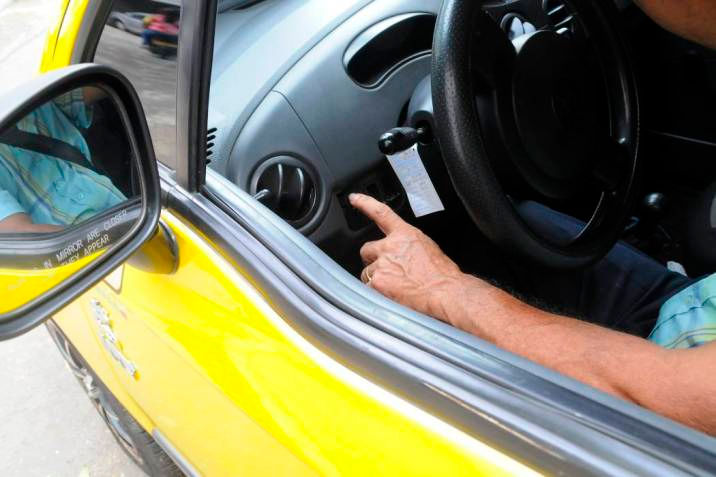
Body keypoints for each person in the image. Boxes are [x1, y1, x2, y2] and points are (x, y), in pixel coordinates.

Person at [350, 0, 716, 436]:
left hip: (663, 369)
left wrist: (441, 288)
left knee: (495, 238)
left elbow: (645, 395)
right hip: (699, 309)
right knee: (517, 222)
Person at [0, 88, 125, 234]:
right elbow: (22, 234)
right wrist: (100, 237)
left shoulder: (32, 92)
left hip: (127, 212)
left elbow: (97, 87)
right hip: (96, 242)